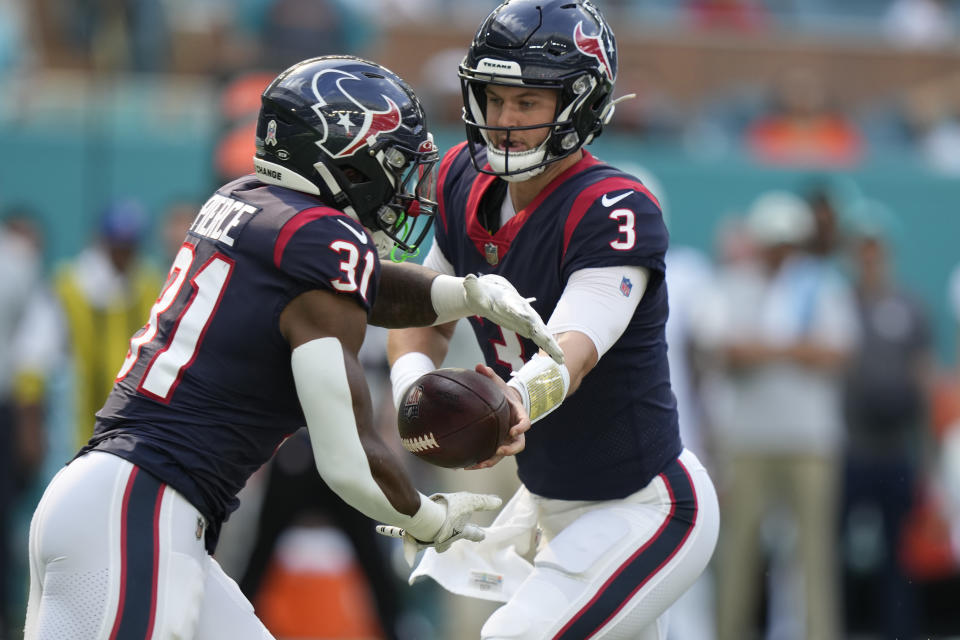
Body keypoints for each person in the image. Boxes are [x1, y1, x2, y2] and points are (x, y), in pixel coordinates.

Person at [23, 55, 563, 640]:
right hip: (140, 509)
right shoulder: (323, 245)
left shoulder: (251, 201)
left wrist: (469, 293)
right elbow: (348, 461)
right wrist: (429, 520)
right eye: (392, 165)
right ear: (344, 157)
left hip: (124, 502)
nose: (404, 189)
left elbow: (365, 287)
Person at [385, 2, 720, 638]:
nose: (505, 121)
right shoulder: (461, 175)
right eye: (495, 98)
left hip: (645, 506)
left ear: (581, 104)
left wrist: (510, 402)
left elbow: (573, 352)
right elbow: (423, 308)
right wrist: (412, 393)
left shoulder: (613, 207)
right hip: (550, 505)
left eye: (528, 102)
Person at [701, 191, 859, 640]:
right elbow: (726, 351)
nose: (782, 252)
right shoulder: (733, 282)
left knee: (814, 556)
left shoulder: (822, 284)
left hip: (811, 441)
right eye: (775, 242)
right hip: (749, 441)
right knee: (737, 555)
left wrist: (766, 347)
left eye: (788, 243)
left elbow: (835, 353)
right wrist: (793, 346)